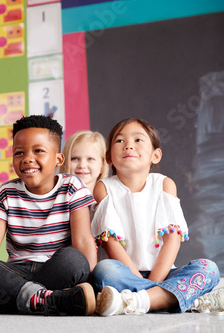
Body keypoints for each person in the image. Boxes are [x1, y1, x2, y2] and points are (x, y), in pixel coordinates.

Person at [0, 115, 98, 316]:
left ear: (58, 159)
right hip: (15, 272)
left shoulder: (72, 187)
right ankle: (51, 300)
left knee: (74, 260)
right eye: (19, 152)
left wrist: (93, 285)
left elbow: (83, 240)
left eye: (38, 151)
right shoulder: (6, 192)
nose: (27, 158)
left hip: (56, 270)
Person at [91, 117, 220, 316]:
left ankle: (139, 300)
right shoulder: (104, 188)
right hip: (125, 275)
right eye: (120, 141)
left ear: (155, 155)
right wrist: (148, 285)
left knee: (209, 269)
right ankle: (175, 299)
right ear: (108, 157)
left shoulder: (164, 184)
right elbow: (111, 243)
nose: (128, 146)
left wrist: (156, 281)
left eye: (138, 140)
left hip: (164, 273)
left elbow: (172, 240)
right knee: (104, 271)